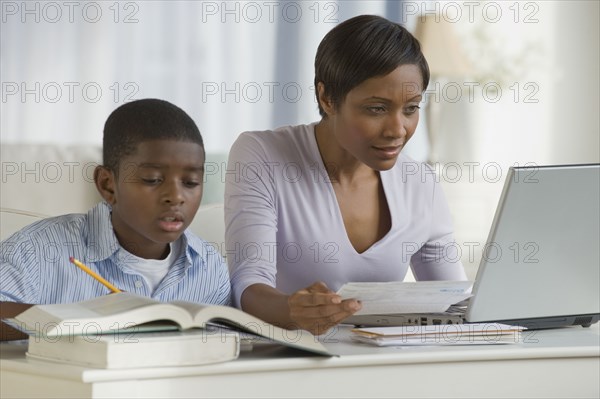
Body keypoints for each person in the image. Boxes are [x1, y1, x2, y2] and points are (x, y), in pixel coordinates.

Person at [224, 15, 467, 335]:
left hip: (378, 363)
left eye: (410, 108)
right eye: (376, 108)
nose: (398, 130)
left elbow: (456, 299)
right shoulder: (262, 154)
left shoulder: (419, 182)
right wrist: (293, 311)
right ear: (327, 98)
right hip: (290, 361)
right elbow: (248, 287)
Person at [0, 99, 231, 340]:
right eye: (152, 180)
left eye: (191, 182)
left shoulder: (210, 269)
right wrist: (87, 317)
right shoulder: (40, 249)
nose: (176, 197)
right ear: (107, 185)